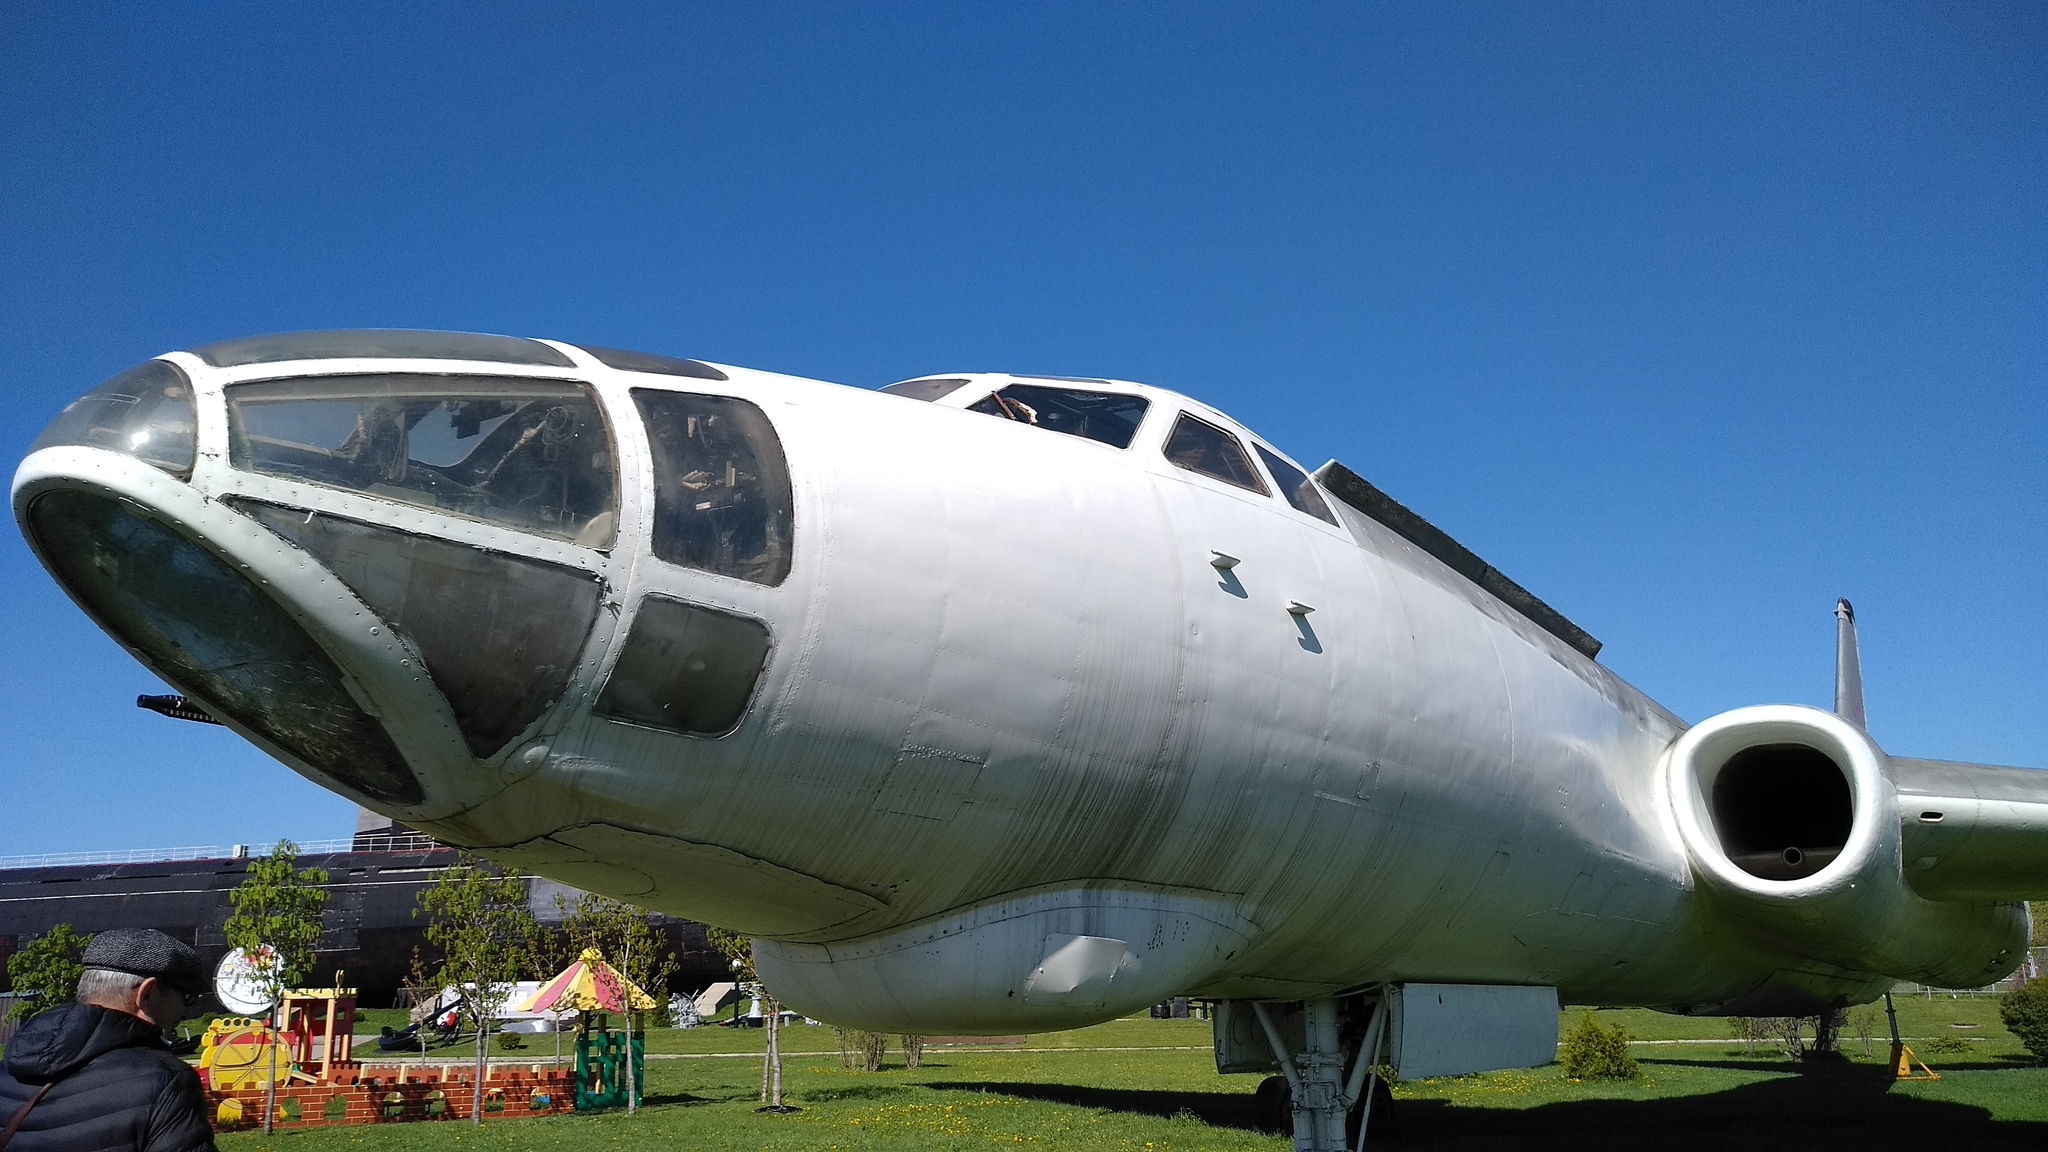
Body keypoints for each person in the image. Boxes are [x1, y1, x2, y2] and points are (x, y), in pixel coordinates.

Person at [0, 929, 215, 1151]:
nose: (185, 1014)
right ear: (147, 993)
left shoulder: (7, 1070)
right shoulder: (166, 1081)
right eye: (187, 997)